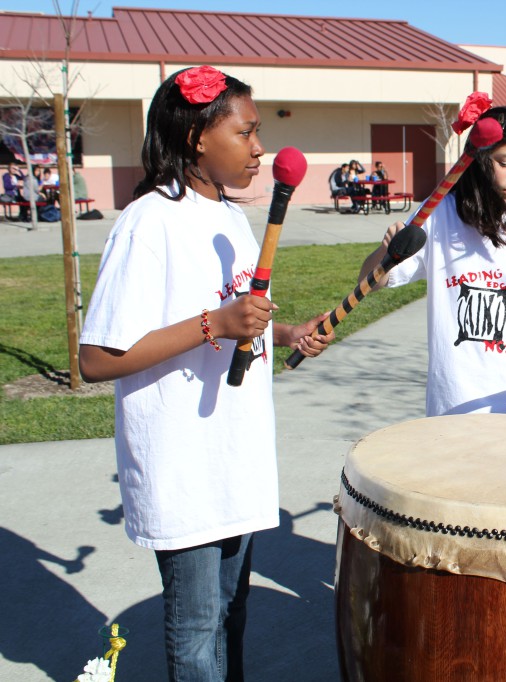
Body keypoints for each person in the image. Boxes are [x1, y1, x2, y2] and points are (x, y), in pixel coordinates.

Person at [78, 65, 333, 681]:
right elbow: (95, 359)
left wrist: (285, 332)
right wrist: (213, 325)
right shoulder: (149, 222)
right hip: (182, 462)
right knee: (196, 630)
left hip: (233, 456)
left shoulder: (230, 218)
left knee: (230, 614)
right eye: (245, 133)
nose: (259, 147)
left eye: (258, 131)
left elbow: (236, 315)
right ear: (197, 137)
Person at [359, 107, 506, 417]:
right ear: (480, 159)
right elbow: (371, 283)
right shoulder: (439, 214)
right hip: (451, 400)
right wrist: (385, 256)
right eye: (504, 162)